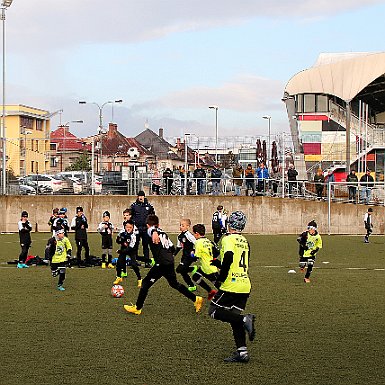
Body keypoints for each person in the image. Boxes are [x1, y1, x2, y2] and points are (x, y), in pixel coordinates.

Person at [123, 215, 204, 315]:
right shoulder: (163, 233)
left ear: (148, 225)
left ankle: (137, 308)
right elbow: (172, 248)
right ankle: (196, 299)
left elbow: (151, 230)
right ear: (159, 224)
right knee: (174, 284)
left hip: (162, 263)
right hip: (169, 262)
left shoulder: (151, 230)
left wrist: (154, 233)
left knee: (145, 283)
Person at [208, 211, 256, 363]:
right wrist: (218, 263)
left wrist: (219, 280)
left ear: (230, 224)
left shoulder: (228, 238)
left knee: (214, 311)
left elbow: (229, 258)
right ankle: (242, 353)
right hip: (245, 285)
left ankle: (245, 320)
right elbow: (238, 261)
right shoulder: (245, 241)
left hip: (231, 284)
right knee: (233, 318)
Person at [191, 223, 219, 301]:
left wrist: (192, 254)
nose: (193, 235)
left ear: (196, 233)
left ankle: (227, 299)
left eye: (193, 234)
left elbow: (196, 257)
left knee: (220, 286)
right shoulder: (208, 241)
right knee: (195, 276)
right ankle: (211, 291)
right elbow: (217, 252)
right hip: (206, 267)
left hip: (209, 269)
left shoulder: (198, 242)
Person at [130, 191, 155, 267]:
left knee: (145, 246)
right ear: (137, 197)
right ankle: (134, 262)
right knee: (135, 245)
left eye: (142, 196)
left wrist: (150, 226)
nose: (140, 197)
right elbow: (131, 216)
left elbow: (152, 216)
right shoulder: (134, 206)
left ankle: (147, 262)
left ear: (144, 196)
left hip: (145, 229)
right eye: (139, 196)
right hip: (137, 229)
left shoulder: (149, 206)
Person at [114, 219, 142, 287]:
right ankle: (118, 277)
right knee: (119, 263)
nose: (128, 229)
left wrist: (120, 251)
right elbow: (118, 241)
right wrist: (119, 239)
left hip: (131, 250)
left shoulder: (133, 236)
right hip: (123, 248)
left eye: (130, 227)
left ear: (132, 227)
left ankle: (139, 279)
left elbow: (130, 248)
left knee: (134, 265)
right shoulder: (122, 232)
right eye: (127, 227)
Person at [174, 218, 197, 291]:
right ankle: (191, 285)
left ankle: (191, 284)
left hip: (190, 256)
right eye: (180, 225)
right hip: (184, 256)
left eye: (183, 225)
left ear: (188, 226)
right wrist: (173, 255)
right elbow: (178, 247)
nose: (181, 227)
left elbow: (197, 243)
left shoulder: (189, 235)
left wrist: (193, 250)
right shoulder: (179, 236)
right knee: (179, 270)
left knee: (181, 269)